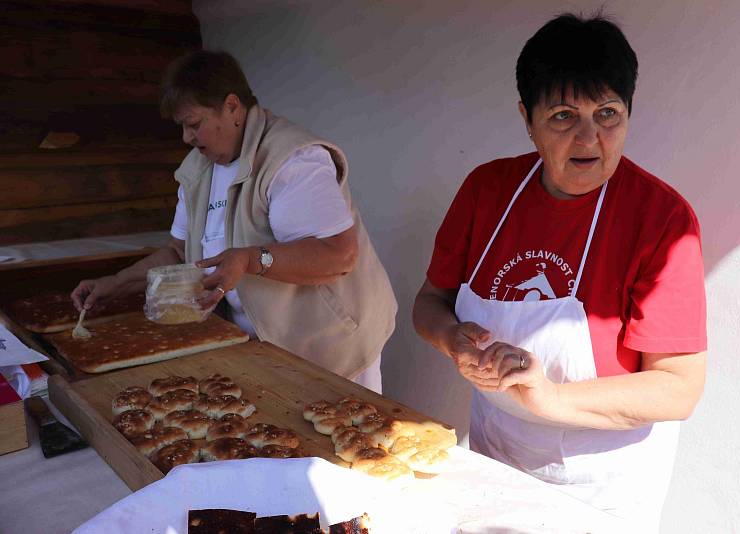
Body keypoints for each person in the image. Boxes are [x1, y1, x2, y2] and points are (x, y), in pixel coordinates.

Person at [412, 13, 706, 530]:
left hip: (600, 484)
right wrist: (453, 340)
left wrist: (549, 395)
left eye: (609, 114)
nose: (590, 139)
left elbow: (678, 387)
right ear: (528, 119)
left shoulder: (660, 219)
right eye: (565, 116)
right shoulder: (487, 191)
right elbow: (428, 303)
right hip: (494, 454)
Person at [71, 50, 397, 393]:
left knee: (338, 442)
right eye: (182, 126)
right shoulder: (198, 171)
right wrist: (115, 282)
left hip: (330, 343)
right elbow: (179, 256)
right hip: (258, 345)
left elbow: (336, 257)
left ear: (231, 106)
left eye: (193, 124)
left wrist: (250, 259)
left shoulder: (292, 160)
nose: (186, 138)